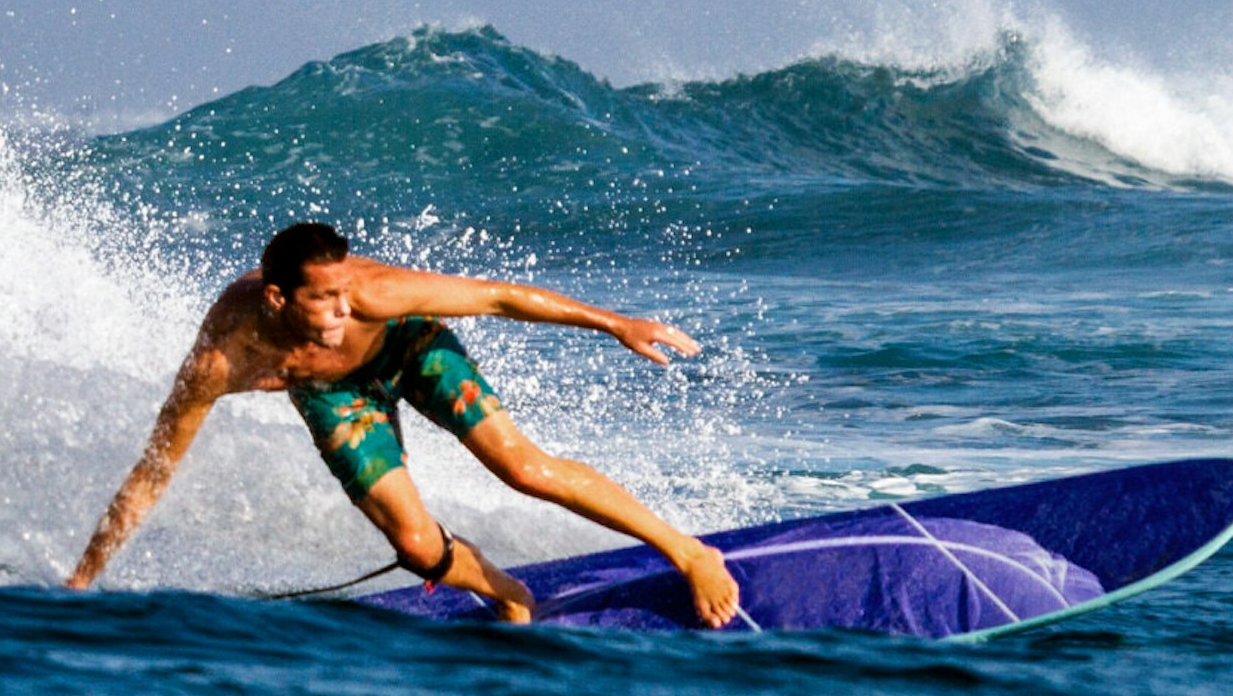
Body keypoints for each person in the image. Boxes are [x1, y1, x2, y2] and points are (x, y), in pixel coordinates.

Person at [66, 221, 742, 626]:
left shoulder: (375, 295)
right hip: (335, 397)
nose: (342, 308)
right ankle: (507, 591)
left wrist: (616, 323)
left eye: (344, 289)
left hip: (411, 348)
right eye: (323, 299)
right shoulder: (222, 360)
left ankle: (688, 551)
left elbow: (499, 297)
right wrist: (82, 582)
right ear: (277, 298)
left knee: (521, 468)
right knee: (419, 548)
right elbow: (155, 469)